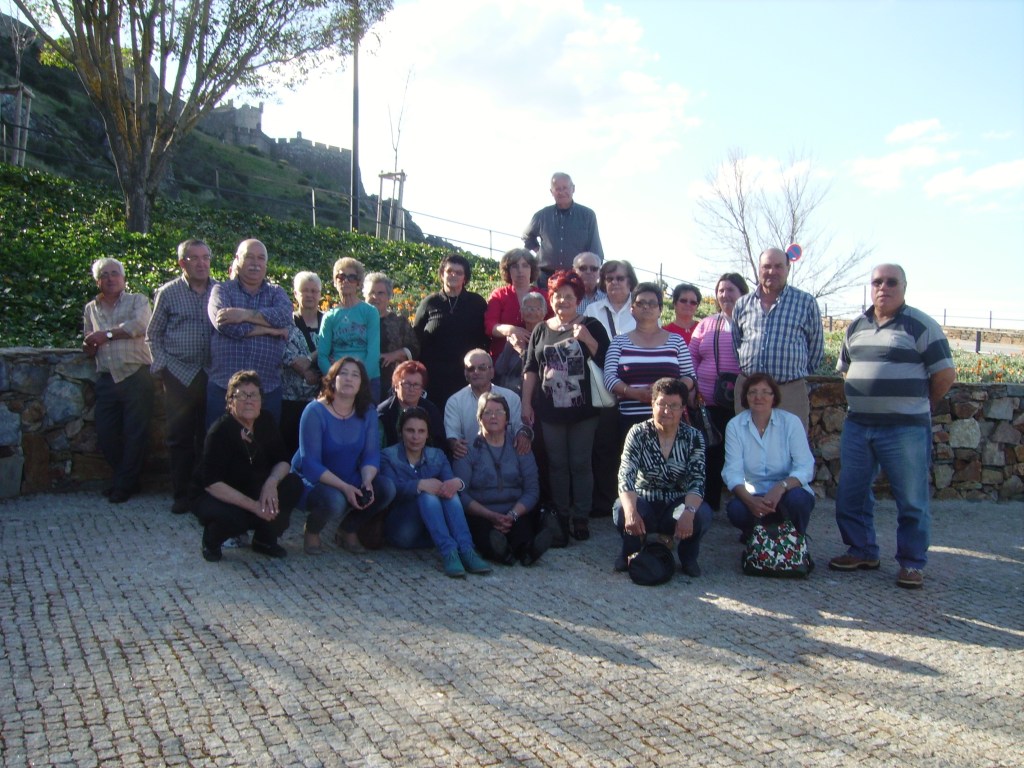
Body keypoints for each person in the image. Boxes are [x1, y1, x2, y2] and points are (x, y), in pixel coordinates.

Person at [829, 264, 955, 590]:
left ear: (904, 286)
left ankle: (912, 564)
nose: (883, 287)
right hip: (859, 425)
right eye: (877, 282)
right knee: (851, 494)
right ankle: (862, 550)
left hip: (905, 429)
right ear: (870, 287)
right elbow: (846, 370)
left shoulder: (920, 325)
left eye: (891, 282)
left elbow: (944, 375)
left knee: (911, 499)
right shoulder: (856, 326)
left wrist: (918, 405)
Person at [522, 270, 610, 541]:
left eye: (568, 297)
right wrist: (526, 402)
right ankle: (561, 515)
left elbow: (608, 359)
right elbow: (531, 368)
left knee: (580, 463)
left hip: (584, 410)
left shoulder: (591, 325)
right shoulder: (540, 329)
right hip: (549, 410)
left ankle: (581, 517)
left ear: (578, 299)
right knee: (557, 464)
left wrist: (587, 339)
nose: (562, 302)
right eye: (558, 297)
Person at [193, 370, 303, 562]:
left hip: (257, 487)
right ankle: (211, 540)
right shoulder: (219, 432)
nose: (249, 400)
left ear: (261, 399)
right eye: (241, 395)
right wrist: (254, 506)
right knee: (236, 517)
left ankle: (265, 539)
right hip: (220, 494)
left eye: (254, 395)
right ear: (230, 401)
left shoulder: (266, 421)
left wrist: (271, 483)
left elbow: (283, 460)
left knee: (292, 484)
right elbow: (212, 483)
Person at [292, 357, 396, 555]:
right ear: (332, 379)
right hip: (315, 480)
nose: (349, 379)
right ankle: (312, 530)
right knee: (336, 501)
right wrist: (345, 488)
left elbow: (371, 455)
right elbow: (310, 464)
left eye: (355, 375)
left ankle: (348, 529)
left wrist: (366, 482)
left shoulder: (368, 412)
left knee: (386, 488)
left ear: (361, 383)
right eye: (344, 374)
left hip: (351, 476)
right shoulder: (314, 411)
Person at [613, 378, 713, 577]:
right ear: (652, 404)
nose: (667, 411)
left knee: (701, 514)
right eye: (662, 404)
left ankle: (688, 557)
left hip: (677, 503)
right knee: (622, 509)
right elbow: (625, 475)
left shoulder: (693, 437)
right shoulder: (638, 433)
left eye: (674, 406)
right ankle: (629, 552)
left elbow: (697, 480)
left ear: (683, 408)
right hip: (645, 500)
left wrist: (689, 511)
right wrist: (631, 510)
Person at [380, 407, 492, 578]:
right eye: (410, 430)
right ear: (401, 432)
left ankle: (466, 550)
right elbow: (390, 489)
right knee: (427, 495)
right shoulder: (388, 456)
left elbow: (449, 485)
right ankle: (448, 551)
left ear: (427, 434)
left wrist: (456, 483)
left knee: (448, 491)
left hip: (432, 527)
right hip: (403, 528)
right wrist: (420, 484)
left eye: (421, 431)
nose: (415, 437)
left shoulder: (437, 455)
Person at [146, 238, 216, 514]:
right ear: (182, 263)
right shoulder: (168, 293)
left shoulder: (219, 291)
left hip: (211, 372)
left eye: (205, 257)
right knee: (180, 438)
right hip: (178, 374)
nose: (201, 263)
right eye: (194, 258)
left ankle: (204, 491)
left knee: (208, 436)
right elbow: (153, 335)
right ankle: (182, 494)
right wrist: (162, 367)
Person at [83, 255, 155, 504]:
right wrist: (90, 344)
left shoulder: (138, 301)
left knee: (136, 433)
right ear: (97, 281)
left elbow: (140, 326)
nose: (110, 278)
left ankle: (123, 486)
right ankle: (129, 480)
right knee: (106, 434)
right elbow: (90, 338)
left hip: (135, 374)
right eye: (104, 275)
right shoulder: (91, 308)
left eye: (114, 273)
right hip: (106, 378)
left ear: (124, 278)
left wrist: (108, 334)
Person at [731, 247, 823, 431]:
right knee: (748, 448)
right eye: (767, 266)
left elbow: (816, 350)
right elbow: (737, 344)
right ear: (759, 269)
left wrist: (793, 375)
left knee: (790, 451)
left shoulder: (805, 302)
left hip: (789, 391)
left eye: (778, 266)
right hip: (749, 391)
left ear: (788, 268)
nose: (772, 271)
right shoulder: (743, 304)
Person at [454, 393, 551, 566]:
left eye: (499, 412)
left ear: (507, 418)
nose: (493, 416)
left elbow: (532, 489)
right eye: (487, 412)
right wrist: (490, 515)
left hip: (515, 511)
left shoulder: (520, 447)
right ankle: (501, 552)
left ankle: (527, 550)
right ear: (479, 418)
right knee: (484, 533)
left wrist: (512, 515)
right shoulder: (467, 450)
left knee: (522, 530)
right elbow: (461, 493)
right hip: (481, 512)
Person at [207, 239, 292, 427]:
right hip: (224, 388)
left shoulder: (276, 293)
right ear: (237, 259)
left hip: (267, 389)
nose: (255, 263)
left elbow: (284, 317)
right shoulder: (221, 291)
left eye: (261, 258)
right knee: (219, 447)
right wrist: (269, 330)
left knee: (265, 449)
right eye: (249, 257)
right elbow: (226, 326)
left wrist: (243, 314)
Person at [722, 373, 815, 544]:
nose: (759, 397)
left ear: (774, 396)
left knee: (799, 501)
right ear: (745, 397)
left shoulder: (791, 422)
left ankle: (795, 540)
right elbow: (732, 472)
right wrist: (749, 501)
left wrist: (781, 487)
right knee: (736, 510)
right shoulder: (735, 426)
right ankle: (757, 536)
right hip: (755, 491)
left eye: (765, 392)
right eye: (753, 392)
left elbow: (805, 467)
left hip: (787, 491)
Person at [688, 272, 750, 510]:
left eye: (730, 290)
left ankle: (745, 506)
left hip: (742, 402)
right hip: (708, 401)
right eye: (721, 290)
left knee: (741, 453)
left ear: (742, 293)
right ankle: (709, 504)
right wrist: (692, 386)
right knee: (710, 452)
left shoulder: (752, 322)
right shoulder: (705, 324)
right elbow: (691, 356)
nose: (725, 295)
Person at [603, 282, 697, 439]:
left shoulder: (676, 341)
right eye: (640, 303)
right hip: (630, 421)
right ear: (632, 309)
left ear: (660, 310)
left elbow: (690, 377)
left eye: (652, 303)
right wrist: (634, 393)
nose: (646, 307)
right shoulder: (619, 342)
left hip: (670, 419)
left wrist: (667, 391)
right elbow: (609, 377)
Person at [585, 259, 639, 518]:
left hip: (636, 389)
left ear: (630, 282)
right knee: (604, 447)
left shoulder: (641, 309)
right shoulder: (593, 310)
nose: (614, 282)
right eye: (609, 278)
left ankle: (635, 502)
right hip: (602, 389)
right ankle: (605, 501)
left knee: (632, 446)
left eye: (620, 278)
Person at [413, 253, 489, 411]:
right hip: (435, 379)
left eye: (459, 272)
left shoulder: (477, 303)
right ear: (442, 274)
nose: (453, 275)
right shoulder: (429, 303)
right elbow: (416, 338)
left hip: (467, 376)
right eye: (449, 271)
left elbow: (486, 339)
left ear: (465, 278)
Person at [444, 349, 531, 460]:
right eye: (471, 369)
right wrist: (454, 445)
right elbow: (452, 436)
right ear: (465, 374)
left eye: (482, 368)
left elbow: (521, 427)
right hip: (471, 459)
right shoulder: (454, 402)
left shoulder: (511, 398)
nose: (476, 372)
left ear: (492, 372)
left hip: (507, 458)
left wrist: (523, 435)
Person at [523, 172, 603, 287]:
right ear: (552, 192)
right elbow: (527, 236)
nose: (561, 192)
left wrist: (592, 276)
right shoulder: (542, 215)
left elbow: (595, 250)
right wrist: (538, 250)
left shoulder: (587, 215)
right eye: (557, 189)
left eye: (565, 188)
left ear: (573, 189)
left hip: (575, 278)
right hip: (545, 279)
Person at [318, 257, 381, 401]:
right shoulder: (329, 317)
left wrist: (360, 380)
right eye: (341, 276)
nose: (345, 281)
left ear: (358, 283)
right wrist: (334, 379)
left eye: (352, 277)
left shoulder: (370, 312)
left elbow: (373, 352)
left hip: (368, 380)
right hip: (338, 381)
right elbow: (322, 355)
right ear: (335, 282)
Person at [280, 271, 323, 456]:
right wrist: (303, 369)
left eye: (314, 291)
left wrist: (309, 360)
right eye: (304, 290)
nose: (309, 295)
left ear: (320, 294)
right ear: (296, 294)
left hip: (320, 397)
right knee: (289, 446)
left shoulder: (329, 321)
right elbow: (282, 350)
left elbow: (334, 350)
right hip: (289, 398)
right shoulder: (285, 321)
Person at [484, 248, 550, 360]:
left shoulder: (545, 296)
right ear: (508, 271)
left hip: (537, 358)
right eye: (515, 266)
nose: (520, 270)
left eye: (525, 265)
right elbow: (490, 326)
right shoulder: (499, 295)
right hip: (503, 361)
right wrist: (511, 330)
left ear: (532, 269)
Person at [365, 272, 418, 399]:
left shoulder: (399, 322)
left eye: (380, 293)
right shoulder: (357, 321)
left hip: (391, 383)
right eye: (371, 292)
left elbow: (415, 348)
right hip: (362, 381)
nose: (375, 297)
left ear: (389, 297)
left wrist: (395, 354)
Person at [376, 360, 446, 450]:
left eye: (416, 385)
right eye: (407, 384)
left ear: (422, 389)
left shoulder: (431, 411)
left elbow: (440, 445)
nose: (411, 389)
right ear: (396, 386)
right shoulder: (382, 414)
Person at [494, 291, 547, 395]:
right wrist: (509, 347)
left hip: (536, 394)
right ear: (521, 313)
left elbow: (541, 371)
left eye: (536, 309)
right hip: (509, 393)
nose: (531, 312)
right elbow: (499, 369)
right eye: (527, 308)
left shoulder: (547, 337)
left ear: (544, 313)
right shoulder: (516, 336)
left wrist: (522, 351)